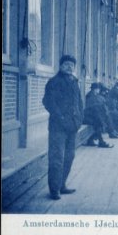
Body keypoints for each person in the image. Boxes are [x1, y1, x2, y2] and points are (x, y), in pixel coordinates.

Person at [42, 55, 84, 200]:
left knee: (69, 156)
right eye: (66, 64)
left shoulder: (74, 82)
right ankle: (54, 189)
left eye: (72, 65)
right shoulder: (54, 82)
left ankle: (62, 185)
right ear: (60, 66)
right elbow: (48, 102)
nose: (69, 67)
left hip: (72, 127)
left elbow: (79, 102)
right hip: (58, 128)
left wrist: (79, 119)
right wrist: (61, 118)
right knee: (57, 158)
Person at [83, 83, 115, 148]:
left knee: (100, 120)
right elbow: (92, 108)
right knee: (98, 123)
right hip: (86, 116)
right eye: (98, 89)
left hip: (92, 115)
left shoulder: (95, 95)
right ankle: (101, 142)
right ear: (95, 89)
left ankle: (91, 140)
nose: (98, 90)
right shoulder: (90, 96)